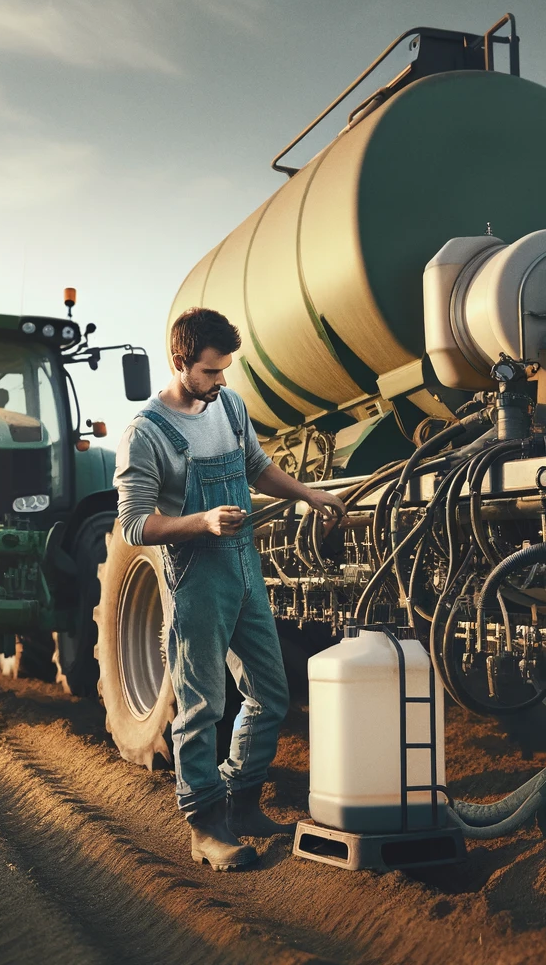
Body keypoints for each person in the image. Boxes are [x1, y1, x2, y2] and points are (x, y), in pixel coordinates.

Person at [114, 307, 346, 870]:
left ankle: (242, 803)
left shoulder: (231, 406)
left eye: (225, 372)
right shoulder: (146, 433)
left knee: (271, 693)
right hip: (196, 577)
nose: (221, 384)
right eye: (212, 373)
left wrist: (307, 494)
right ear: (181, 363)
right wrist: (201, 522)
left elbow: (256, 468)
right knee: (201, 707)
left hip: (245, 568)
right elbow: (133, 523)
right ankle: (206, 828)